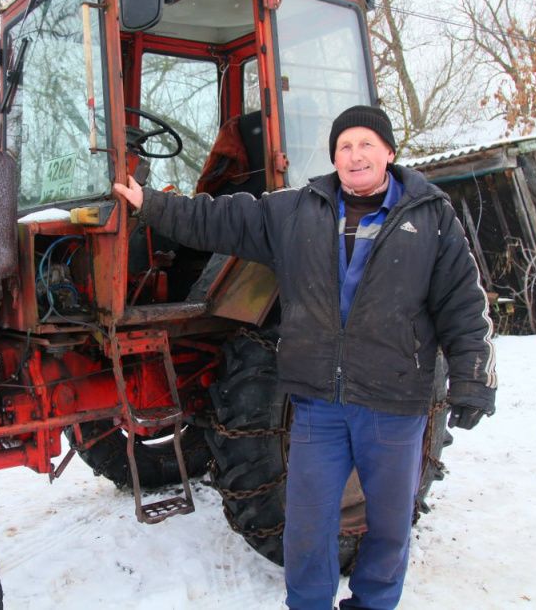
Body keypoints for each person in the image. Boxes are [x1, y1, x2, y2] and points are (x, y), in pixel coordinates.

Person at [113, 104, 497, 610]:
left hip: (393, 404)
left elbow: (462, 303)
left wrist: (472, 378)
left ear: (389, 152)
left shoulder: (430, 216)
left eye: (366, 144)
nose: (355, 155)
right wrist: (154, 205)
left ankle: (374, 602)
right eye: (345, 146)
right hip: (320, 403)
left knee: (388, 525)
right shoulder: (300, 209)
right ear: (334, 156)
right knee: (307, 526)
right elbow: (223, 218)